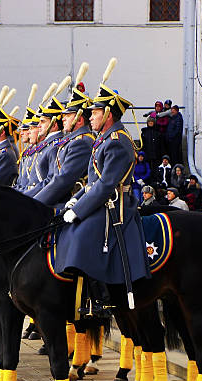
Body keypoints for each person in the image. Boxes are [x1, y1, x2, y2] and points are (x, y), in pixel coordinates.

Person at [57, 83, 150, 317]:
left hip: (117, 205)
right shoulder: (103, 139)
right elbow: (91, 181)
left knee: (83, 233)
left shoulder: (118, 141)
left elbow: (107, 184)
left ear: (108, 114)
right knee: (68, 228)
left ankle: (101, 297)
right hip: (103, 199)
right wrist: (75, 201)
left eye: (95, 112)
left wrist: (79, 210)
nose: (90, 117)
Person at [33, 84, 94, 207]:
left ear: (79, 120)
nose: (63, 119)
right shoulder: (71, 141)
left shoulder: (81, 142)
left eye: (67, 115)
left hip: (70, 204)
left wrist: (33, 204)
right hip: (59, 200)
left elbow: (63, 180)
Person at [24, 95, 65, 196]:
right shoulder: (47, 145)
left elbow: (51, 180)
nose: (38, 126)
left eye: (42, 122)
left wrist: (25, 197)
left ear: (54, 124)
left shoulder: (54, 146)